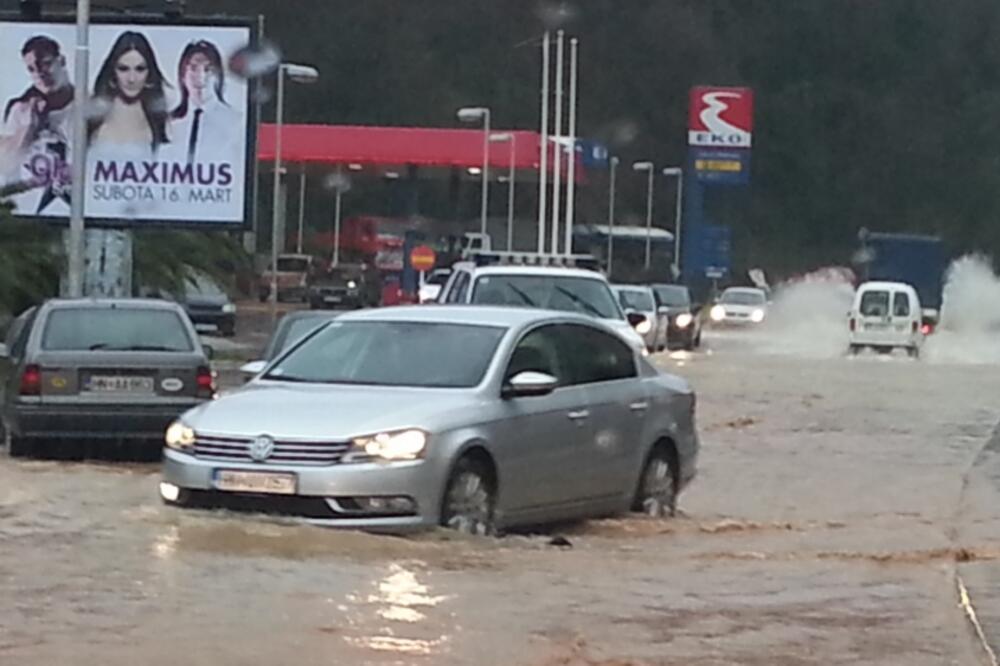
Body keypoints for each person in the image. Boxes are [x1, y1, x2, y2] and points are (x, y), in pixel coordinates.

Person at [0, 35, 74, 214]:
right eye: (32, 69)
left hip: (78, 211)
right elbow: (5, 164)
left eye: (46, 64)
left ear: (61, 61)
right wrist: (28, 128)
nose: (40, 74)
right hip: (27, 212)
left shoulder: (87, 104)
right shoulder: (20, 108)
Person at [88, 31, 169, 154]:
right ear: (113, 71)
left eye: (140, 69)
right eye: (123, 69)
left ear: (149, 72)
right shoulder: (92, 114)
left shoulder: (162, 119)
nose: (132, 79)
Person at [167, 40, 242, 164]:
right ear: (182, 75)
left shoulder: (236, 122)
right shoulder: (169, 124)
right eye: (193, 68)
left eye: (208, 69)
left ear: (219, 77)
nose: (201, 77)